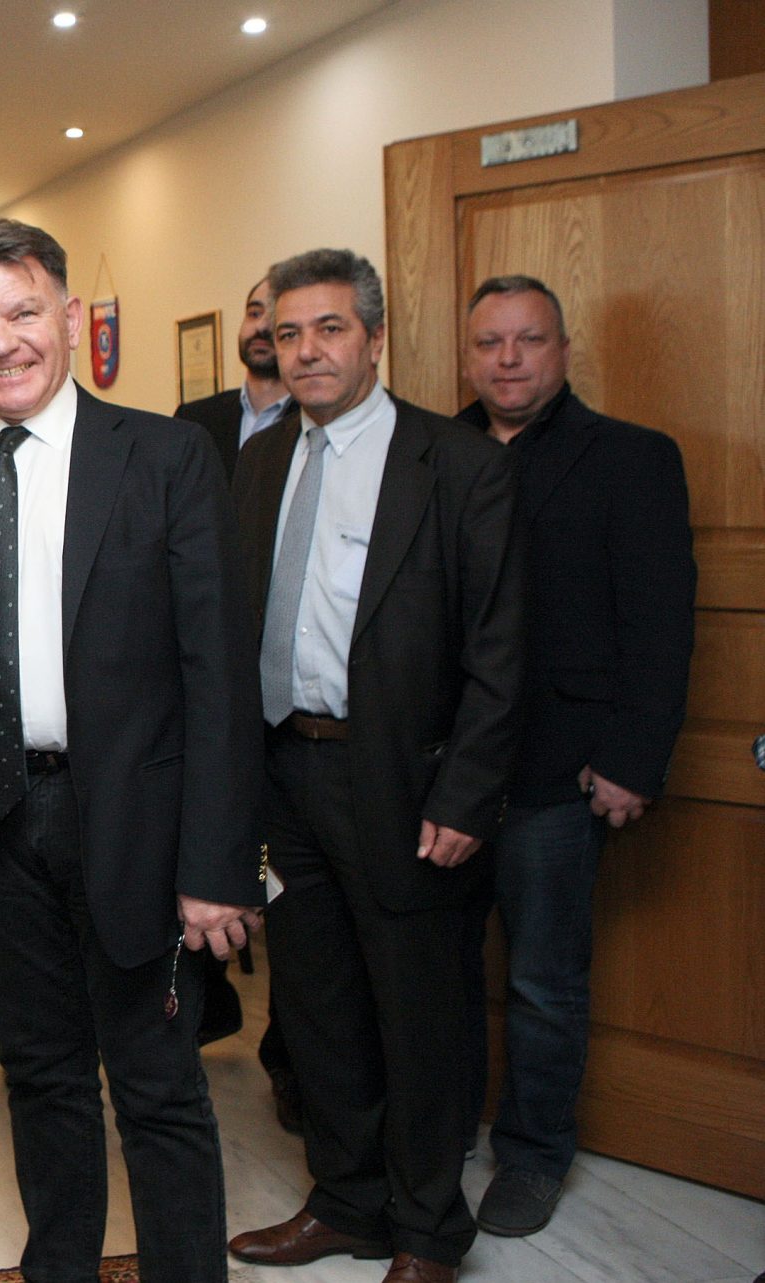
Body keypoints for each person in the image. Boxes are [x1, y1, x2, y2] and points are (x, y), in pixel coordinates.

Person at [0, 218, 265, 1283]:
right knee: (41, 1075)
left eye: (22, 312)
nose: (0, 341)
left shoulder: (166, 457)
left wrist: (218, 864)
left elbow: (220, 679)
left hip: (135, 826)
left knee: (157, 1088)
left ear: (70, 315)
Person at [227, 248, 523, 1283]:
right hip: (287, 772)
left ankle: (428, 1229)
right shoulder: (260, 460)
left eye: (331, 329)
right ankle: (347, 1200)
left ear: (375, 337)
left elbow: (500, 651)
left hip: (405, 783)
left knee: (420, 1013)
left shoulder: (458, 464)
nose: (307, 351)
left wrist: (467, 794)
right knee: (317, 1006)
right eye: (289, 332)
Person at [456, 274, 694, 1237]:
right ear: (468, 355)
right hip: (442, 772)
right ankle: (437, 1135)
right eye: (490, 342)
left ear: (563, 349)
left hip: (560, 772)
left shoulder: (632, 458)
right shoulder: (430, 449)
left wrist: (635, 757)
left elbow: (661, 622)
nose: (508, 359)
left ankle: (532, 1153)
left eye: (529, 340)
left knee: (543, 981)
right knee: (438, 971)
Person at [178, 275, 304, 1086]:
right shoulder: (197, 424)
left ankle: (292, 1062)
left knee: (298, 907)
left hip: (296, 701)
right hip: (213, 686)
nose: (265, 329)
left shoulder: (316, 427)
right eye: (257, 313)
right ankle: (207, 1000)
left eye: (280, 318)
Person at [175, 275, 292, 479]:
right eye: (254, 313)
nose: (262, 326)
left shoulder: (314, 421)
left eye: (277, 316)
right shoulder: (194, 419)